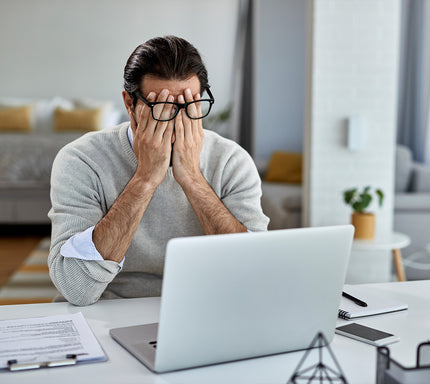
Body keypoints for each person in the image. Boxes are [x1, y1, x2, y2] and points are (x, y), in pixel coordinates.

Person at [48, 36, 269, 306]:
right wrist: (145, 178)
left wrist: (192, 178)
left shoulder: (231, 160)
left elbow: (255, 275)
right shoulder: (81, 160)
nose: (178, 120)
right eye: (162, 108)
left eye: (189, 106)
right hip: (105, 309)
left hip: (204, 308)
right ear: (130, 104)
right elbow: (77, 288)